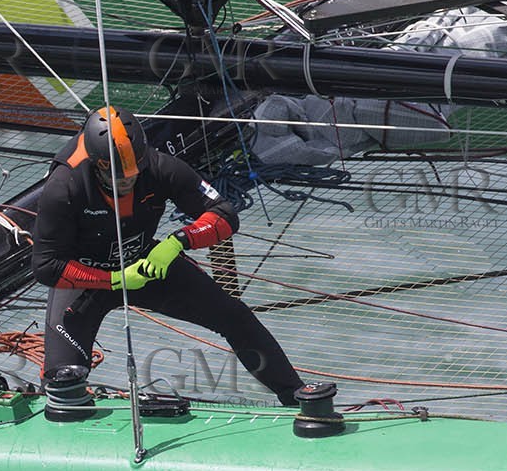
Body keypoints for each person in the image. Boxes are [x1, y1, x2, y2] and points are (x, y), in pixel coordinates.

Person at [30, 106, 307, 419]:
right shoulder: (64, 186)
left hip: (146, 264)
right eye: (117, 178)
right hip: (87, 277)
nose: (127, 183)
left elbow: (225, 215)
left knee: (234, 316)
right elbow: (46, 266)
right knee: (62, 382)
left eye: (134, 175)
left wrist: (177, 242)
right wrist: (115, 280)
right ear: (98, 165)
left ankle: (297, 397)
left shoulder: (161, 166)